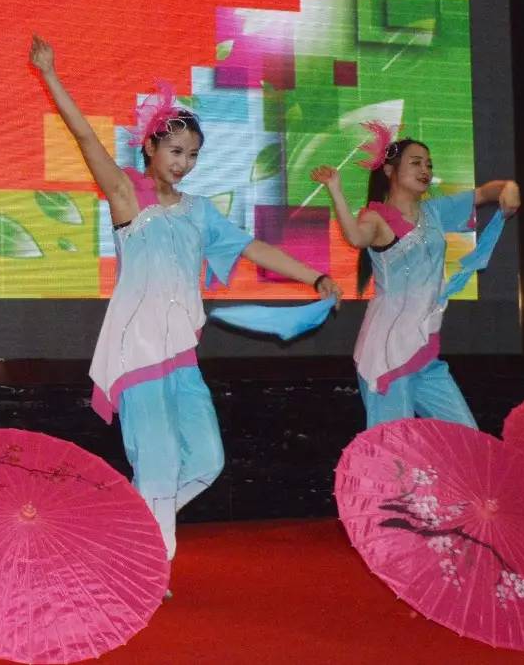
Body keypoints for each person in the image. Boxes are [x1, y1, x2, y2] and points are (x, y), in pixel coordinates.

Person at [29, 38, 339, 560]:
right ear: (150, 147)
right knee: (159, 464)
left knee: (206, 462)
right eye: (176, 151)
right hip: (136, 350)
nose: (185, 163)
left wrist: (316, 277)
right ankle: (151, 565)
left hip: (181, 354)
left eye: (193, 155)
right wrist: (50, 75)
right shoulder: (126, 195)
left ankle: (126, 527)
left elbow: (254, 247)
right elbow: (85, 138)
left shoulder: (200, 211)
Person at [311, 122, 518, 429]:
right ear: (389, 170)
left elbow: (485, 193)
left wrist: (508, 188)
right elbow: (355, 236)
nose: (425, 170)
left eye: (429, 165)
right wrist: (336, 191)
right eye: (416, 163)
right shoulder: (377, 217)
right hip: (387, 354)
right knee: (395, 448)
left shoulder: (435, 212)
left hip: (424, 351)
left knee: (466, 438)